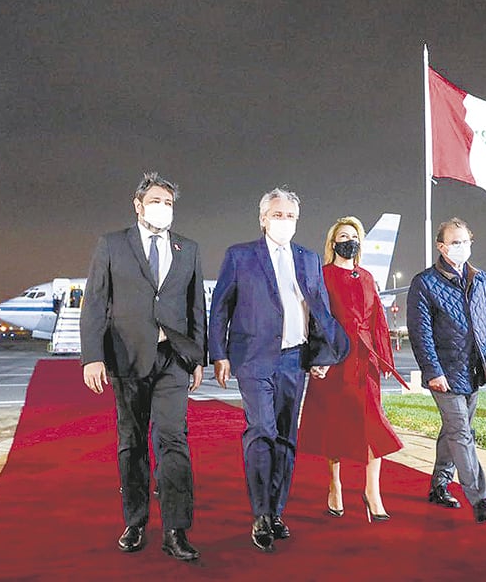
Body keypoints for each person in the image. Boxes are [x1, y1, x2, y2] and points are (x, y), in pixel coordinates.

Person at [209, 187, 349, 552]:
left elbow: (320, 312)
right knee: (262, 429)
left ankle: (275, 512)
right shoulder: (240, 256)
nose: (283, 221)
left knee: (287, 437)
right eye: (277, 215)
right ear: (262, 218)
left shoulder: (308, 258)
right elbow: (220, 307)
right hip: (254, 358)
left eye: (289, 216)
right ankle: (259, 513)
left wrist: (321, 356)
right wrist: (218, 354)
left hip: (294, 358)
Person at [80, 172, 205, 562]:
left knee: (173, 440)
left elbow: (195, 306)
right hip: (127, 358)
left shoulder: (188, 248)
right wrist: (92, 356)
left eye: (168, 203)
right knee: (132, 443)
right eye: (155, 201)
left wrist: (196, 357)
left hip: (172, 359)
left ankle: (175, 529)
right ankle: (135, 521)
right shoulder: (113, 245)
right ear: (138, 204)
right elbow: (96, 301)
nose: (162, 209)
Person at [407, 217, 486, 523]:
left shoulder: (482, 279)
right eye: (455, 242)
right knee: (462, 432)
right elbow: (421, 333)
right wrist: (432, 370)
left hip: (474, 369)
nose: (462, 247)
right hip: (445, 372)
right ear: (441, 246)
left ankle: (439, 484)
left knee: (455, 430)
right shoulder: (424, 283)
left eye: (466, 241)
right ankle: (480, 499)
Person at [299, 216, 403, 522]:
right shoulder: (323, 275)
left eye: (354, 236)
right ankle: (335, 485)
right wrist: (317, 358)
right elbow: (315, 320)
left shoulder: (368, 277)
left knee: (373, 426)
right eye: (344, 236)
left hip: (365, 360)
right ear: (333, 243)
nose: (350, 241)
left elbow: (377, 320)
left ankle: (372, 491)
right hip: (334, 359)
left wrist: (384, 356)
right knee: (335, 424)